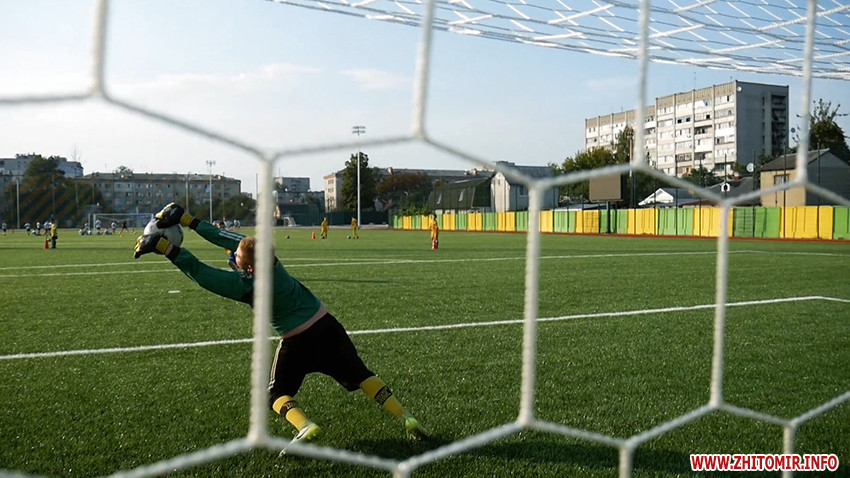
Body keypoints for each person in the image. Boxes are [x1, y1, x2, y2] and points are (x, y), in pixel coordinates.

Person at [134, 203, 428, 445]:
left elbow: (202, 274)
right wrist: (189, 220)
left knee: (275, 395)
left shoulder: (247, 285)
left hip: (297, 342)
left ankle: (306, 426)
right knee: (362, 375)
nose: (233, 256)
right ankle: (406, 417)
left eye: (236, 258)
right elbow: (232, 239)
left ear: (248, 268)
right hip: (328, 327)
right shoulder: (273, 261)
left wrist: (167, 248)